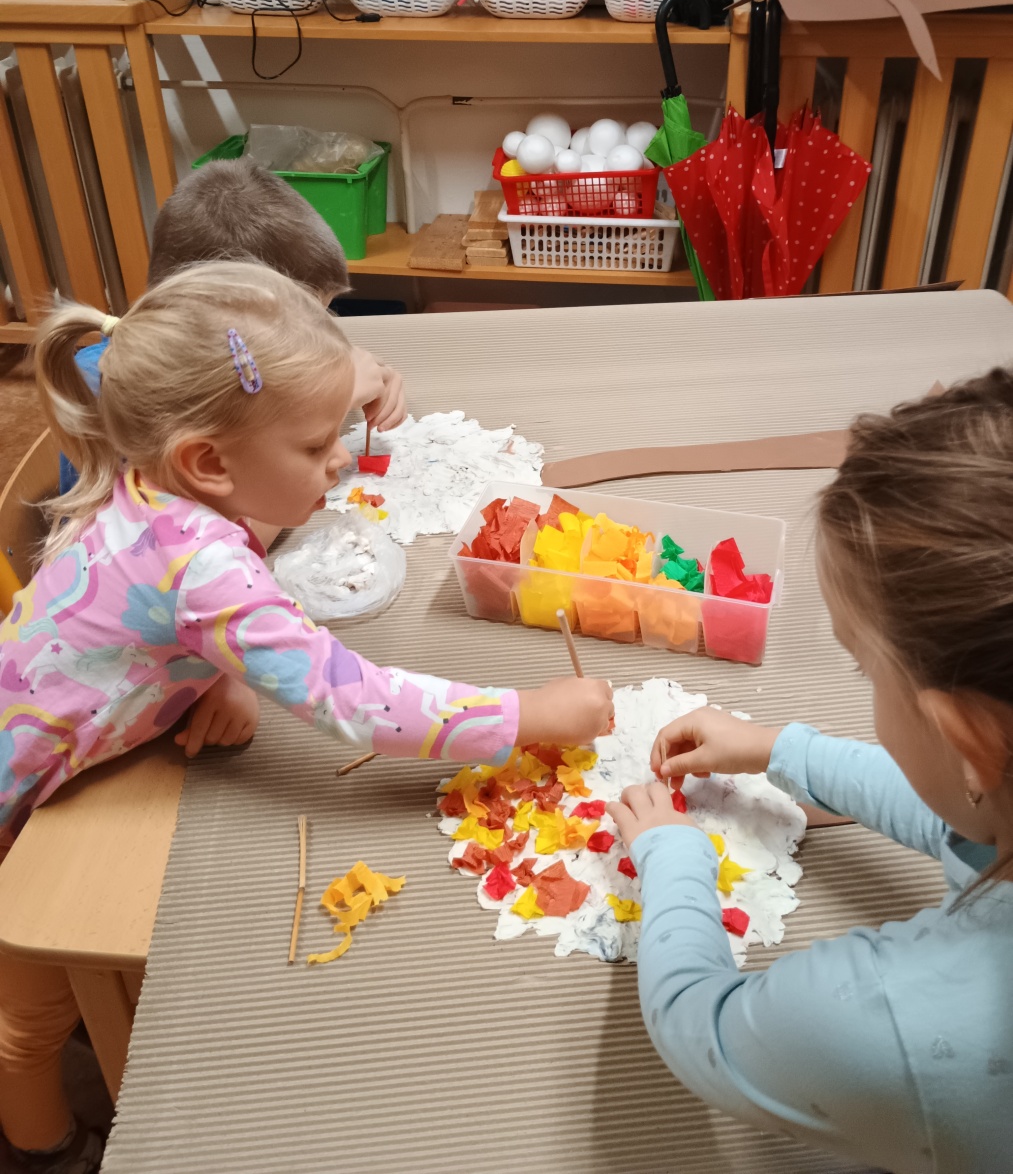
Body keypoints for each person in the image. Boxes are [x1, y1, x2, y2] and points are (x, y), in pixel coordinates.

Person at [0, 263, 613, 1174]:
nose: (340, 461)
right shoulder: (203, 567)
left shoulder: (161, 484)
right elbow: (355, 700)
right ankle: (42, 1145)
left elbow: (159, 615)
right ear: (210, 462)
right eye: (319, 443)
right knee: (34, 1012)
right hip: (18, 803)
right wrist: (529, 713)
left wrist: (215, 669)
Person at [607, 370, 1013, 1174]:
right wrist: (780, 750)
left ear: (966, 740)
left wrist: (673, 855)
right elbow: (970, 812)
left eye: (864, 668)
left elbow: (700, 1026)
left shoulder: (886, 1021)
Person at [60, 156, 407, 773]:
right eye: (305, 324)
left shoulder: (196, 377)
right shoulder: (121, 413)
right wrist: (218, 665)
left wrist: (335, 383)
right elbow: (196, 557)